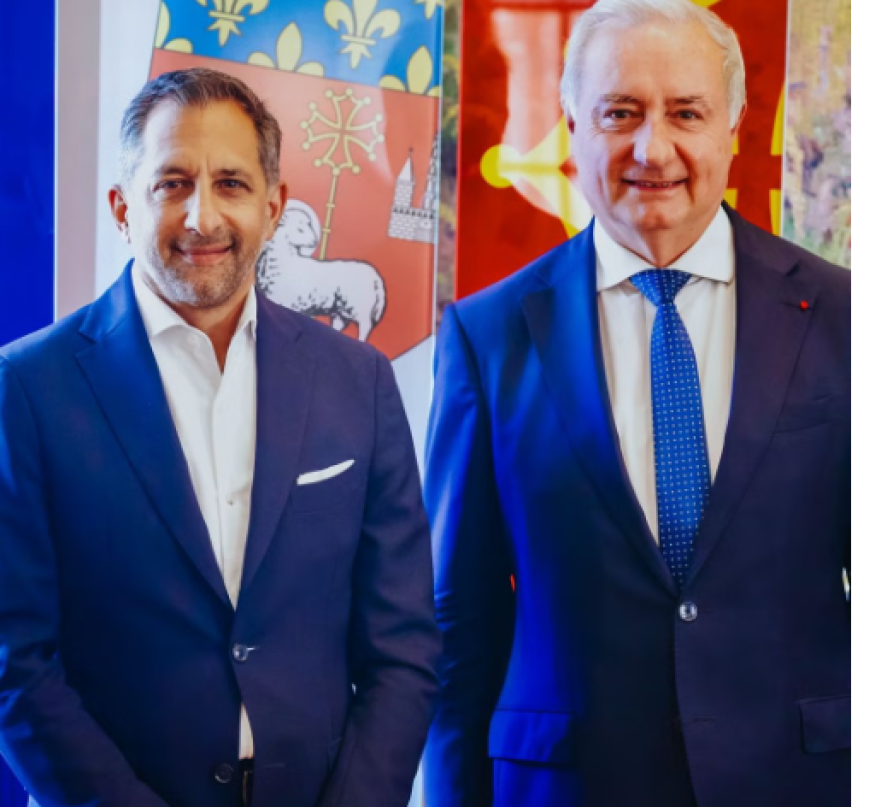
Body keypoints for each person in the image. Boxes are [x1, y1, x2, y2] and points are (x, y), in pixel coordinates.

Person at [423, 1, 850, 805]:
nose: (653, 149)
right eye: (619, 113)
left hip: (798, 778)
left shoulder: (842, 318)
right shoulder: (486, 335)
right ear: (571, 128)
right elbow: (458, 624)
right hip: (567, 784)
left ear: (732, 127)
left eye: (685, 112)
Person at [0, 68, 440, 807]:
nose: (202, 216)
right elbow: (15, 660)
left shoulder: (357, 381)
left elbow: (404, 647)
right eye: (172, 183)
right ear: (122, 208)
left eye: (231, 184)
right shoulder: (27, 387)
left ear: (273, 207)